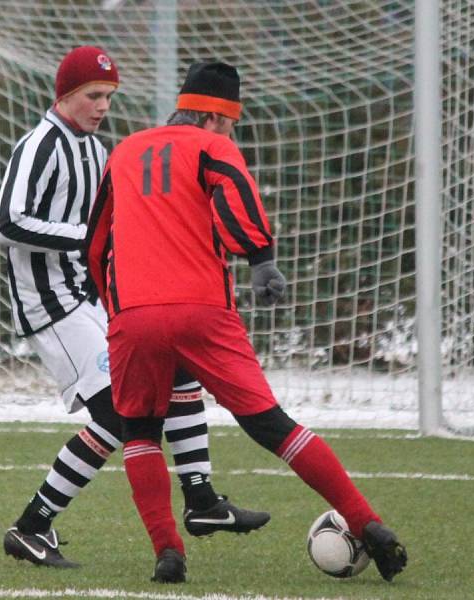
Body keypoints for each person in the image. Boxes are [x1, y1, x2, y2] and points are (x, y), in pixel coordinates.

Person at [86, 61, 408, 584]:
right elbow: (233, 194)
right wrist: (261, 257)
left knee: (140, 429)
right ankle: (367, 521)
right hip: (201, 309)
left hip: (134, 316)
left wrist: (118, 309)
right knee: (271, 425)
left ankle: (168, 552)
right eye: (232, 124)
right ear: (217, 117)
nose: (231, 133)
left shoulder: (123, 151)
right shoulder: (212, 146)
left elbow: (95, 242)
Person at [0, 47, 269, 569]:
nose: (102, 106)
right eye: (93, 95)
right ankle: (31, 527)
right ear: (65, 94)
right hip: (51, 304)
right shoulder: (39, 145)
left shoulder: (98, 151)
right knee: (119, 414)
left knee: (179, 375)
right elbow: (7, 224)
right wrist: (83, 238)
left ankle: (202, 499)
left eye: (109, 97)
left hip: (92, 297)